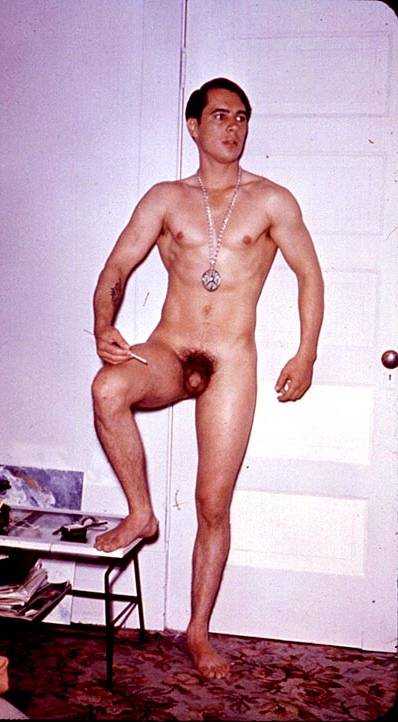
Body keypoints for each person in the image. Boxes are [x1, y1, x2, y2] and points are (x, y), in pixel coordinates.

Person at [91, 78, 324, 679]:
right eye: (220, 115)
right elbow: (117, 266)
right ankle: (141, 512)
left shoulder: (272, 200)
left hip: (231, 361)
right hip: (171, 349)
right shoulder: (165, 198)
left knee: (211, 503)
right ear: (194, 126)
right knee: (108, 387)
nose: (233, 126)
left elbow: (309, 275)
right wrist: (103, 325)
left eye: (241, 116)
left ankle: (197, 632)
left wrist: (306, 352)